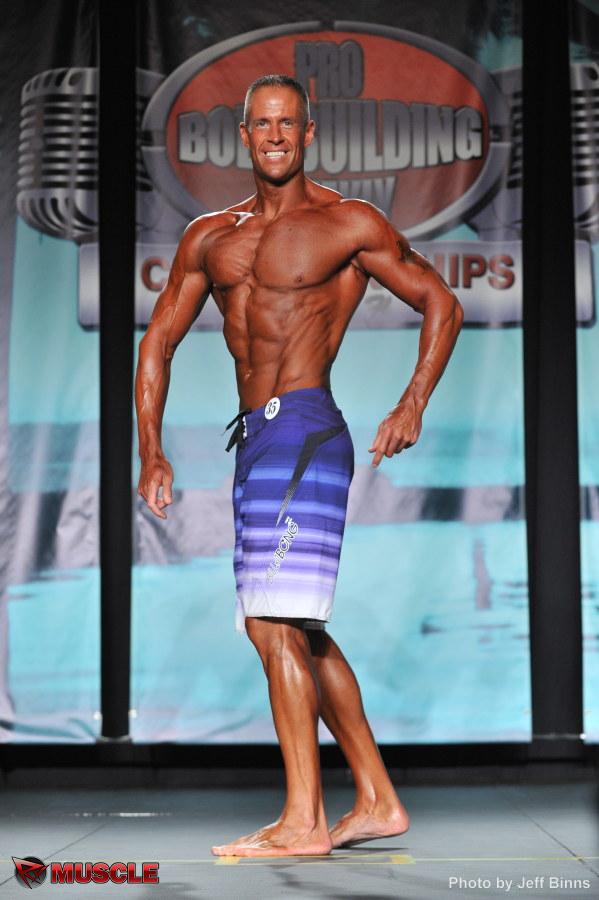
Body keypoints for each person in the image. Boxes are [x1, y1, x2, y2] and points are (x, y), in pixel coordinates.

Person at [135, 74, 463, 858]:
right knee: (298, 627)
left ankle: (302, 821)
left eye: (288, 123)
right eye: (263, 124)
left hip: (305, 430)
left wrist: (411, 403)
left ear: (308, 133)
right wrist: (151, 449)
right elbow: (158, 341)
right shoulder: (210, 236)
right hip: (255, 440)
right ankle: (376, 799)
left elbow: (440, 303)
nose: (276, 136)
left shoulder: (347, 222)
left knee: (271, 621)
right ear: (243, 134)